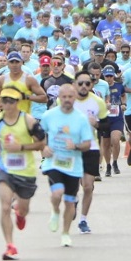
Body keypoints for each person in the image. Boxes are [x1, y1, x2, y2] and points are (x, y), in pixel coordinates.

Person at [0, 85, 46, 260]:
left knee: (24, 208)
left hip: (25, 171)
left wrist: (20, 147)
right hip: (5, 169)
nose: (8, 104)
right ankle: (10, 246)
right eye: (4, 100)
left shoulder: (28, 121)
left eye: (11, 100)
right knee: (5, 206)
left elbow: (41, 144)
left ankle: (20, 213)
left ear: (18, 102)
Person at [40, 84, 93, 247]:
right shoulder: (49, 115)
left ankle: (65, 233)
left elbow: (87, 143)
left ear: (75, 97)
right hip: (54, 162)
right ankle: (55, 211)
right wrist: (43, 147)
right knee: (57, 194)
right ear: (59, 98)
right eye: (64, 97)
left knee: (70, 202)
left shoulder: (81, 119)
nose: (67, 100)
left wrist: (76, 146)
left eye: (70, 97)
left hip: (73, 165)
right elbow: (39, 135)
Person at [71, 70, 108, 234]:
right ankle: (73, 200)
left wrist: (97, 124)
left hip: (91, 148)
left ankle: (83, 220)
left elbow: (107, 126)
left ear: (92, 85)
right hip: (71, 148)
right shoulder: (67, 100)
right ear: (74, 84)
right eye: (81, 83)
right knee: (72, 186)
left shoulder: (98, 102)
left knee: (88, 186)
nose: (84, 86)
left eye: (88, 83)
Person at [100, 65, 125, 177]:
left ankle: (115, 162)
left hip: (117, 118)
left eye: (111, 76)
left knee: (115, 140)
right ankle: (108, 165)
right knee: (105, 144)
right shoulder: (100, 86)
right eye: (107, 76)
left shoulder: (119, 86)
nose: (109, 78)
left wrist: (124, 104)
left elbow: (123, 95)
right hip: (105, 118)